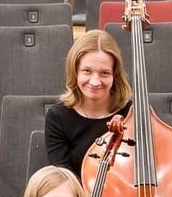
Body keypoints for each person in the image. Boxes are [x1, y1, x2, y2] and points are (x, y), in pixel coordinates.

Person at [45, 30, 133, 171]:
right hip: (76, 193)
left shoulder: (132, 114)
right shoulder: (58, 117)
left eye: (104, 73)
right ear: (75, 71)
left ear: (115, 75)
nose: (95, 81)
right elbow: (63, 177)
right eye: (87, 71)